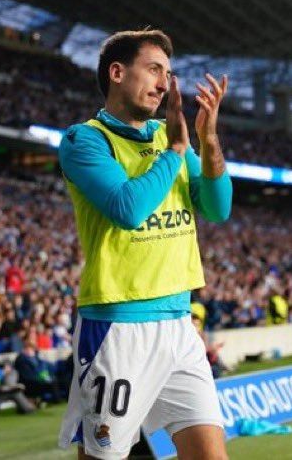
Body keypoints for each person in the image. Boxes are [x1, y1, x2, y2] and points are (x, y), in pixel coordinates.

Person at [57, 29, 232, 460]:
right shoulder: (85, 140)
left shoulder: (169, 135)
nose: (163, 83)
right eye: (154, 69)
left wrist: (207, 141)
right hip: (117, 325)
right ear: (117, 72)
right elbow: (127, 207)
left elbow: (217, 207)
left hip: (179, 323)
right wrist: (175, 149)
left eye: (168, 73)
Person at [14, 337, 67, 403]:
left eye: (32, 349)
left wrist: (47, 377)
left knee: (60, 380)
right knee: (52, 383)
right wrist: (42, 378)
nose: (30, 350)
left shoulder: (36, 358)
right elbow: (28, 376)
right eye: (28, 348)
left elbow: (45, 367)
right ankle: (57, 400)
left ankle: (63, 398)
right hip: (31, 383)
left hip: (40, 379)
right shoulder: (21, 360)